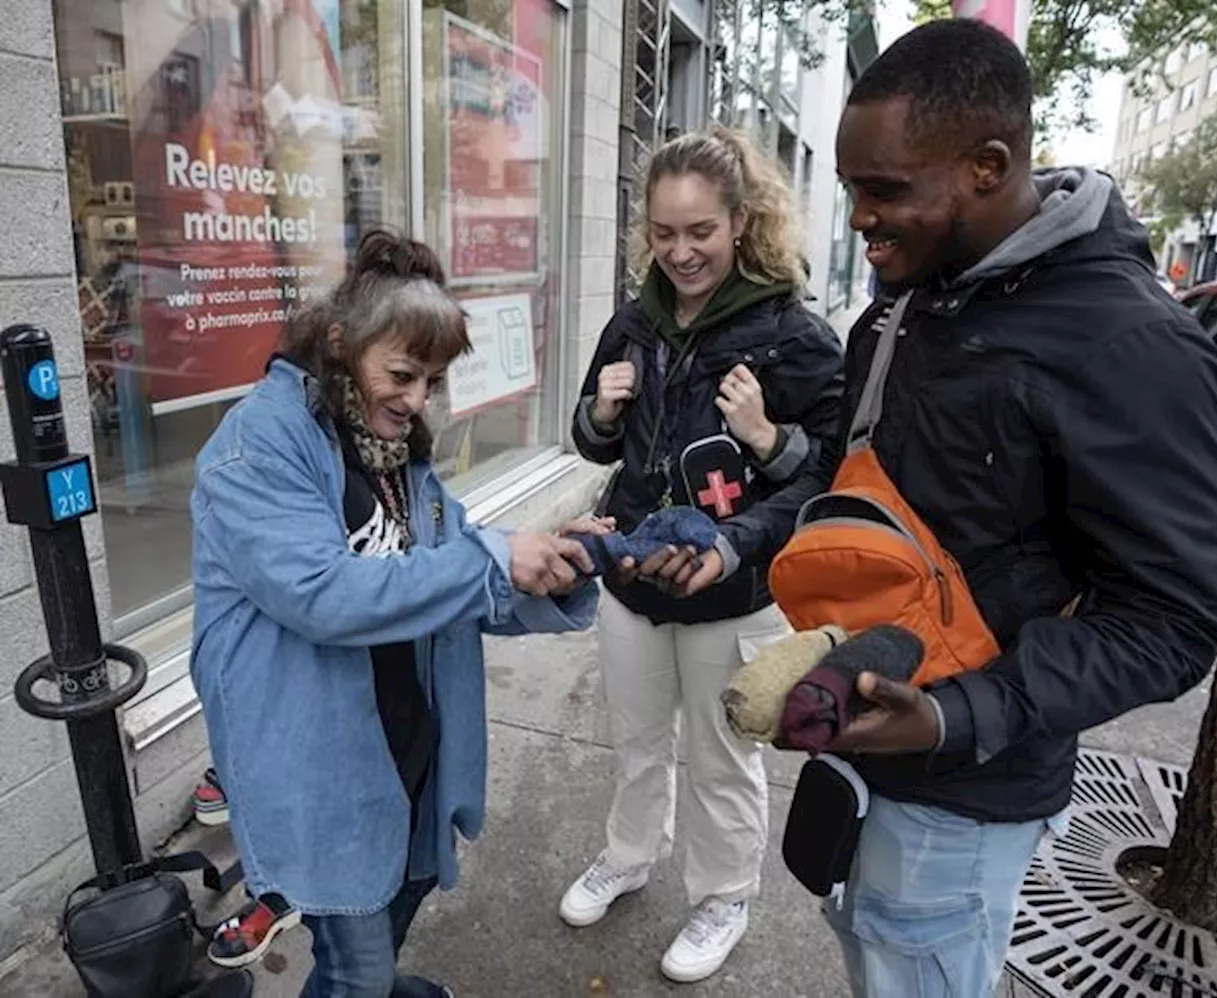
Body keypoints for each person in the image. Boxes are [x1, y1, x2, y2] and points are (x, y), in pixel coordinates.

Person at [816, 20, 1217, 996]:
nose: (857, 221)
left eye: (881, 192)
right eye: (849, 190)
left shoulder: (1131, 348)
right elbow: (855, 490)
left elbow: (1173, 621)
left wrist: (956, 716)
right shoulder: (905, 302)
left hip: (966, 796)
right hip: (865, 746)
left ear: (986, 165)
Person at [190, 230, 602, 998]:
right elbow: (321, 594)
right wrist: (490, 558)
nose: (417, 401)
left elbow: (451, 572)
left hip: (404, 749)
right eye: (404, 374)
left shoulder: (390, 451)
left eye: (433, 381)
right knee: (356, 963)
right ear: (340, 343)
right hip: (321, 765)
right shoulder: (257, 447)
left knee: (391, 910)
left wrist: (547, 565)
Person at [558, 126, 846, 983]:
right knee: (638, 741)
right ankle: (629, 855)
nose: (680, 252)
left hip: (736, 588)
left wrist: (767, 438)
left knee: (724, 757)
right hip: (635, 584)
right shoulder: (634, 321)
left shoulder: (794, 336)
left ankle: (723, 894)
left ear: (741, 221)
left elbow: (829, 474)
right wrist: (603, 415)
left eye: (700, 232)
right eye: (664, 231)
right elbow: (594, 445)